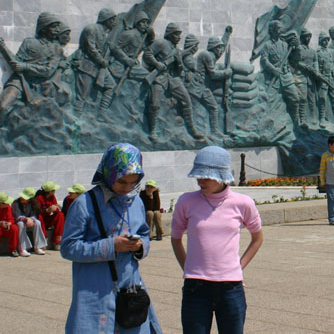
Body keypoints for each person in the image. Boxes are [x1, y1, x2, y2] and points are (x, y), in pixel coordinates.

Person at [61, 142, 161, 333]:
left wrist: (139, 246)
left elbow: (144, 233)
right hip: (94, 289)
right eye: (122, 181)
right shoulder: (84, 203)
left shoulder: (135, 202)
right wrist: (112, 246)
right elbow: (68, 247)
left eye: (133, 182)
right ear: (108, 173)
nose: (127, 187)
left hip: (129, 290)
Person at [171, 146, 264, 334]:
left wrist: (239, 266)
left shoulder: (243, 203)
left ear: (222, 175)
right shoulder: (186, 201)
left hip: (231, 288)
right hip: (195, 287)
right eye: (199, 176)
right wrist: (188, 268)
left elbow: (257, 238)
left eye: (206, 177)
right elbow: (175, 238)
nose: (201, 181)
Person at [12, 187, 47, 255]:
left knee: (37, 222)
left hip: (29, 222)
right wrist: (26, 219)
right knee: (20, 224)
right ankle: (22, 248)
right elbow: (17, 216)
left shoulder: (33, 204)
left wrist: (31, 219)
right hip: (20, 222)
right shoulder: (16, 203)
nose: (22, 198)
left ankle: (38, 247)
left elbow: (34, 215)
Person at [36, 180, 65, 250]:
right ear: (49, 191)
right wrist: (47, 210)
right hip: (42, 220)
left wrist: (55, 208)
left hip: (49, 219)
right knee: (39, 217)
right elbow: (37, 212)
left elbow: (56, 207)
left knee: (60, 215)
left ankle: (57, 241)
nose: (55, 191)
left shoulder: (52, 197)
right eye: (53, 190)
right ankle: (43, 241)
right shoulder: (39, 198)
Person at [0, 192, 20, 257]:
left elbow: (11, 218)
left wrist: (9, 223)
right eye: (6, 202)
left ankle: (13, 249)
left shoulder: (8, 207)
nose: (8, 203)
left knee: (14, 228)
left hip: (6, 227)